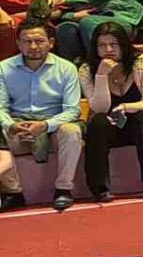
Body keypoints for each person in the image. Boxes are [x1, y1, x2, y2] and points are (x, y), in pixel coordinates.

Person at [82, 21, 143, 202]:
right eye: (102, 45)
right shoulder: (87, 69)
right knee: (98, 121)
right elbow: (99, 108)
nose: (108, 49)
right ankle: (100, 188)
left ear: (124, 44)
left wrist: (125, 107)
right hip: (110, 128)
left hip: (141, 125)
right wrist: (101, 75)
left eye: (114, 44)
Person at [0, 21, 83, 211]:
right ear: (18, 44)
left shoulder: (67, 68)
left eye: (39, 41)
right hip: (18, 125)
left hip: (54, 124)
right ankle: (13, 192)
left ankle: (63, 189)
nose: (33, 46)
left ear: (51, 43)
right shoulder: (3, 68)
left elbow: (73, 110)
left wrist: (45, 125)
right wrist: (11, 125)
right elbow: (0, 107)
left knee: (71, 131)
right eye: (27, 41)